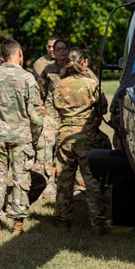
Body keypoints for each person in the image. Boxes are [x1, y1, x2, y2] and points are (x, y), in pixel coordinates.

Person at [0, 39, 44, 235]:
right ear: (19, 54)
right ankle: (17, 225)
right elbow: (34, 115)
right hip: (20, 136)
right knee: (20, 179)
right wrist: (35, 136)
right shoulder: (27, 78)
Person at [52, 48, 108, 234]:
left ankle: (63, 223)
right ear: (84, 62)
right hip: (86, 137)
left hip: (64, 137)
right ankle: (97, 224)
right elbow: (103, 108)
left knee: (64, 181)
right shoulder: (91, 84)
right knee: (91, 180)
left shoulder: (60, 85)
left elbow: (56, 109)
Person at [36, 37, 69, 193]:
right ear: (53, 53)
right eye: (58, 49)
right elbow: (39, 90)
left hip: (71, 116)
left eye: (64, 48)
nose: (61, 51)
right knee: (46, 145)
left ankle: (72, 182)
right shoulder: (48, 70)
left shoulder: (75, 68)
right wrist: (40, 105)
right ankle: (47, 181)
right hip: (51, 115)